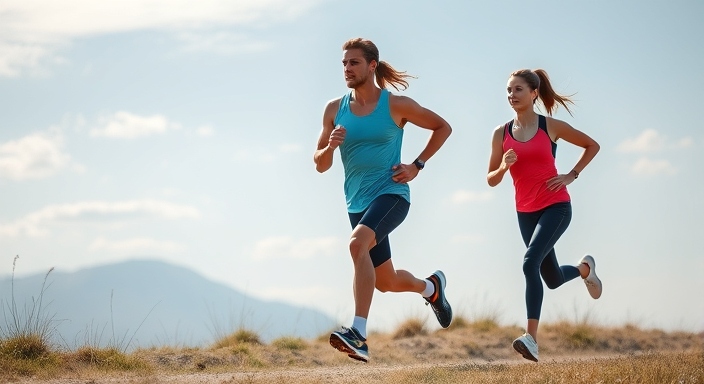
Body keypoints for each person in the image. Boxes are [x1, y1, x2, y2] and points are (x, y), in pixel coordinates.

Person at [314, 37, 453, 363]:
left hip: (391, 194)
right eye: (344, 63)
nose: (347, 69)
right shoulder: (335, 109)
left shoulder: (396, 105)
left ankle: (359, 334)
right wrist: (330, 147)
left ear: (372, 65)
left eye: (354, 63)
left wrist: (417, 165)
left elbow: (442, 127)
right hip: (357, 203)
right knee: (386, 282)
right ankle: (431, 288)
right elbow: (320, 164)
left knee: (355, 244)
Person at [486, 69, 602, 362]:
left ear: (534, 93)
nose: (512, 95)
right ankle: (585, 269)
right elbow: (490, 178)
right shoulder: (501, 133)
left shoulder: (549, 127)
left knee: (529, 264)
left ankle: (531, 339)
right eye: (509, 91)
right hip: (524, 212)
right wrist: (503, 167)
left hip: (556, 206)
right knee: (550, 278)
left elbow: (592, 145)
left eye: (518, 90)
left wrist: (571, 175)